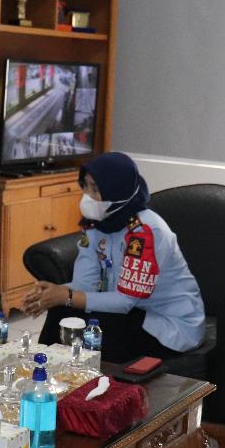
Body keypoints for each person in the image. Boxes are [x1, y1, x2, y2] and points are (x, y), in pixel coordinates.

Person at [25, 152, 205, 363]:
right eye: (85, 187)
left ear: (116, 191)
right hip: (133, 311)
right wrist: (53, 293)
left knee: (101, 332)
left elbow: (125, 301)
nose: (87, 196)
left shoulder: (145, 232)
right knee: (62, 310)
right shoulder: (97, 223)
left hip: (169, 324)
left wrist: (67, 295)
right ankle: (42, 369)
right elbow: (86, 284)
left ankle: (85, 379)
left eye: (95, 189)